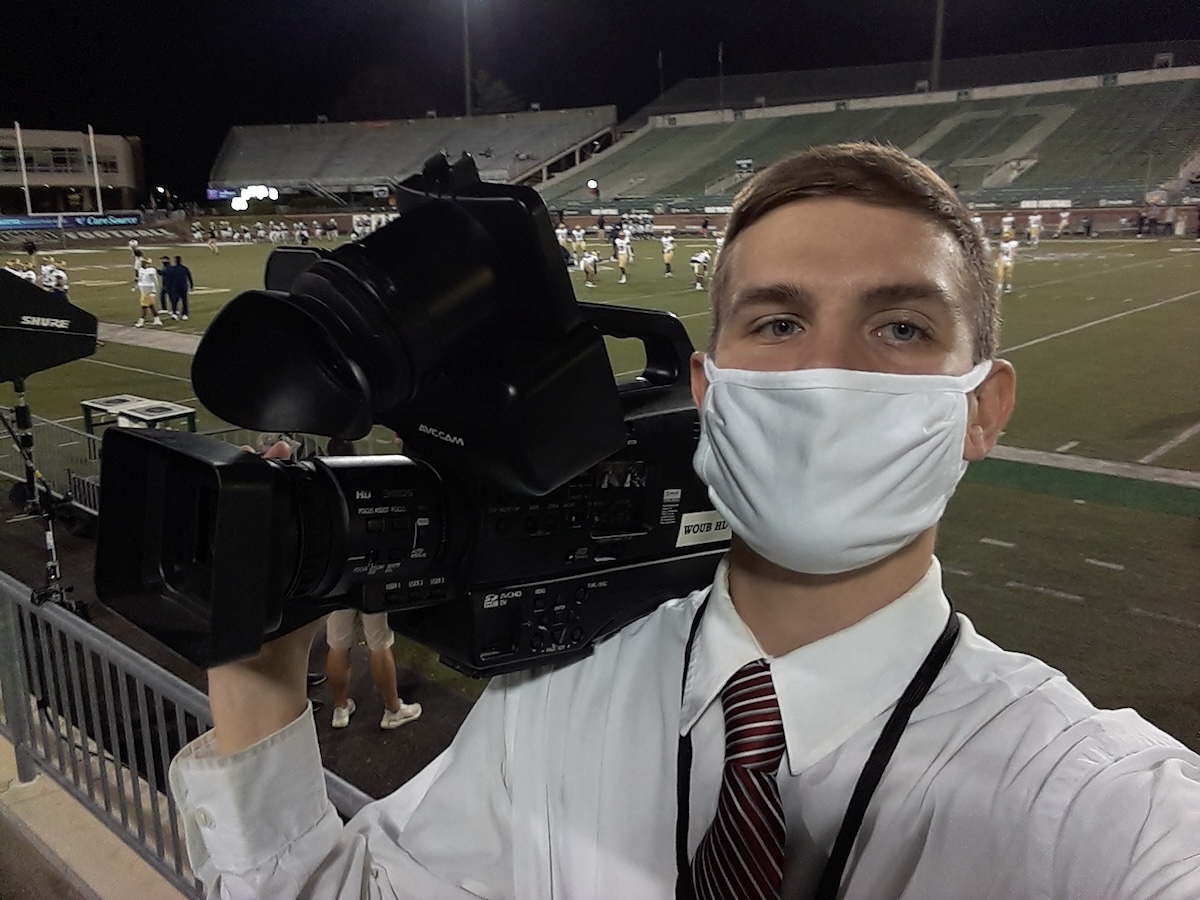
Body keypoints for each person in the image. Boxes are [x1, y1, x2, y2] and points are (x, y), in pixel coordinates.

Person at [169, 143, 1200, 899]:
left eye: (899, 326)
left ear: (982, 407)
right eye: (779, 322)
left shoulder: (1093, 808)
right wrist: (257, 651)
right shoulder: (553, 708)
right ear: (709, 389)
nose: (823, 369)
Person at [321, 436, 423, 731]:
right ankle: (392, 709)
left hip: (339, 577)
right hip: (369, 572)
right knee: (379, 643)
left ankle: (340, 708)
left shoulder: (325, 489)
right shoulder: (366, 484)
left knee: (337, 644)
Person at [133, 257, 162, 327]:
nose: (142, 263)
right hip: (143, 288)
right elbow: (140, 279)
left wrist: (154, 291)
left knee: (144, 305)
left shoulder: (151, 270)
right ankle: (157, 319)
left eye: (144, 262)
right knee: (151, 305)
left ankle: (141, 320)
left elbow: (155, 281)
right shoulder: (141, 270)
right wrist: (136, 286)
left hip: (149, 289)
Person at [165, 254, 194, 320]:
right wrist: (191, 286)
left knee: (174, 301)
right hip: (183, 286)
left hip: (175, 287)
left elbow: (168, 277)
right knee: (184, 301)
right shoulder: (184, 268)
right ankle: (184, 314)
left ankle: (174, 313)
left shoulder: (172, 269)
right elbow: (189, 277)